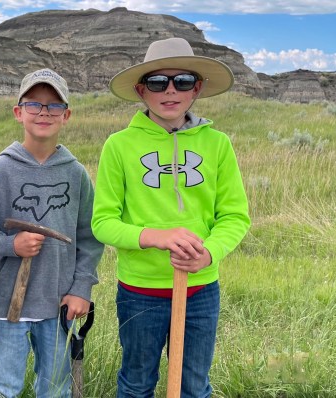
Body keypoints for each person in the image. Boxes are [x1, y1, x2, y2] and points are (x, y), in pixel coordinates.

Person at [91, 38, 251, 397]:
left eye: (181, 81)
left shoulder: (218, 144)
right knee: (136, 383)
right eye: (157, 82)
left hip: (200, 290)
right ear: (140, 90)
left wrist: (208, 253)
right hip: (140, 290)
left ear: (197, 88)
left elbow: (235, 216)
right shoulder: (119, 145)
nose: (170, 91)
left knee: (194, 385)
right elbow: (102, 222)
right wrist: (156, 237)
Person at [0, 68, 104, 398]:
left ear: (66, 115)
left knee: (55, 387)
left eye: (54, 106)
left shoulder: (76, 175)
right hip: (7, 304)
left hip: (58, 303)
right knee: (3, 385)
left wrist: (81, 288)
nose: (44, 113)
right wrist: (9, 244)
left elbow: (89, 236)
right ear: (19, 112)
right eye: (34, 104)